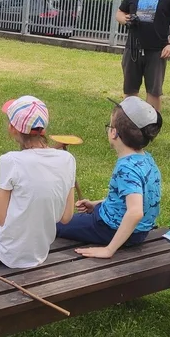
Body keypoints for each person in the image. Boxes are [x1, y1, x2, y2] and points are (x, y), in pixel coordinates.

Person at [0, 96, 76, 269]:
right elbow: (66, 217)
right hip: (39, 253)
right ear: (43, 129)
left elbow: (0, 218)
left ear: (12, 128)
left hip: (8, 253)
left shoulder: (11, 161)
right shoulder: (67, 160)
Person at [56, 97, 162, 258]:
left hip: (110, 228)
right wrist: (96, 204)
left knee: (57, 223)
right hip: (140, 231)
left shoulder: (126, 168)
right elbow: (134, 199)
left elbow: (135, 212)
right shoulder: (146, 159)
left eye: (109, 126)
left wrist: (108, 250)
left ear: (114, 133)